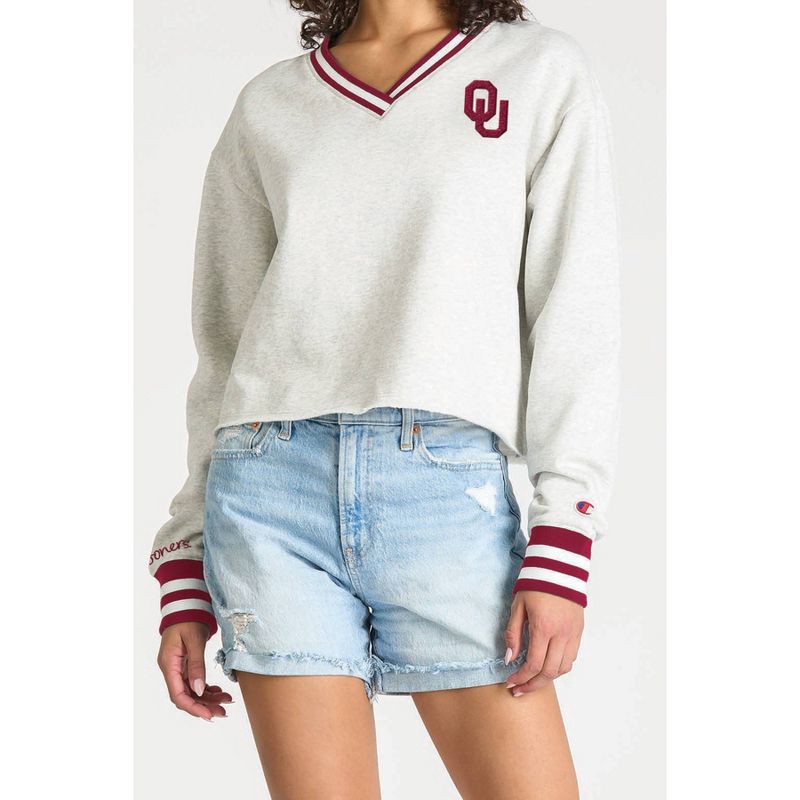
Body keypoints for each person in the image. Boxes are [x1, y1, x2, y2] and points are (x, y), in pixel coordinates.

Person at [150, 1, 621, 796]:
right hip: (268, 497)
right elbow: (224, 345)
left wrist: (564, 533)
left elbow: (576, 310)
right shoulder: (270, 104)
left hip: (445, 495)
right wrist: (185, 554)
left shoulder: (538, 70)